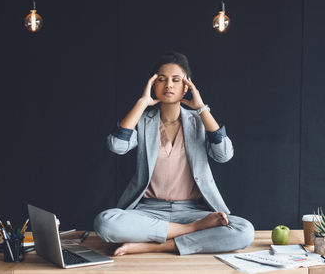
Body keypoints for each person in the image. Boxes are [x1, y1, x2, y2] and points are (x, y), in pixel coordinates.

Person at [94, 52, 254, 256]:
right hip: (148, 212)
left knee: (244, 231)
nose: (168, 84)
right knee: (105, 223)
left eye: (176, 80)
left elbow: (223, 155)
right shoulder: (142, 121)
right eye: (161, 79)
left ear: (186, 87)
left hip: (192, 211)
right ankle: (191, 231)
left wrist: (202, 109)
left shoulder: (199, 121)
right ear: (153, 85)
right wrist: (142, 103)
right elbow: (117, 146)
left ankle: (156, 245)